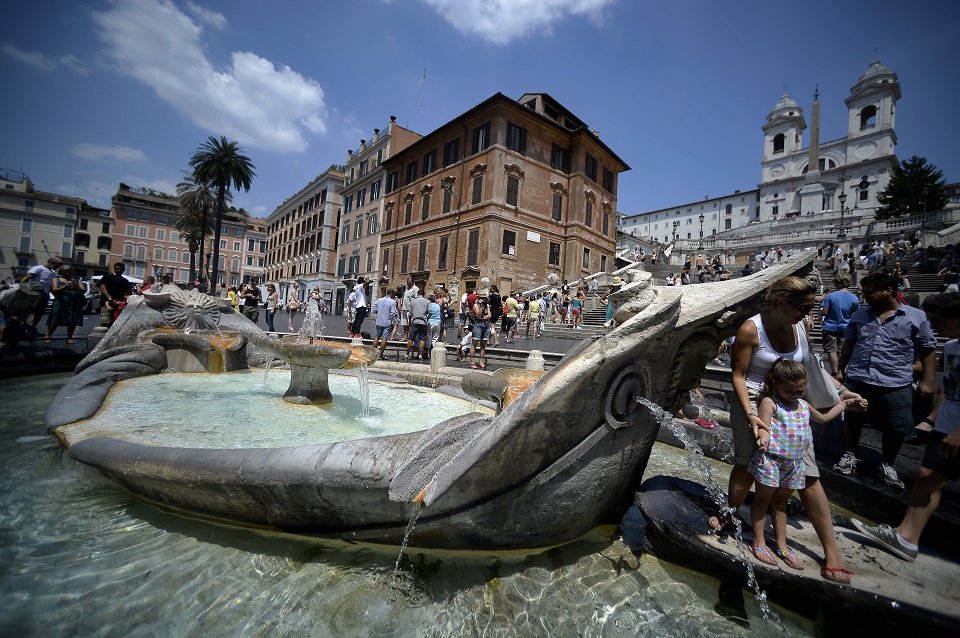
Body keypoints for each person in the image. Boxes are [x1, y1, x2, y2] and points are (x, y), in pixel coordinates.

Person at [714, 276, 864, 583]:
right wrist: (750, 415)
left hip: (793, 406)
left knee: (808, 473)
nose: (808, 313)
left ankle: (831, 553)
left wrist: (841, 391)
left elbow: (810, 367)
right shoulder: (750, 328)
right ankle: (731, 515)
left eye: (812, 307)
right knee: (746, 463)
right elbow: (739, 376)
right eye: (803, 307)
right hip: (756, 400)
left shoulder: (801, 326)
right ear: (781, 302)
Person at [851, 293, 960, 561]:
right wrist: (934, 416)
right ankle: (906, 538)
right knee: (927, 476)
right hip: (948, 424)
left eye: (936, 321)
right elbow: (948, 388)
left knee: (929, 477)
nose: (932, 327)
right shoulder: (954, 346)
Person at [748, 359, 856, 569]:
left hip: (794, 465)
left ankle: (782, 545)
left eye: (800, 390)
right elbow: (764, 426)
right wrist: (763, 438)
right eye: (789, 390)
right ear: (776, 384)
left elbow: (823, 419)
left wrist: (843, 404)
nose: (795, 394)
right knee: (762, 500)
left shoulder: (803, 405)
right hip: (772, 461)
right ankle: (759, 542)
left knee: (781, 504)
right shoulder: (770, 403)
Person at [835, 273, 937, 489]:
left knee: (895, 426)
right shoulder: (860, 316)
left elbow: (927, 349)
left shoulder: (915, 316)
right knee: (852, 419)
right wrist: (840, 369)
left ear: (888, 290)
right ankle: (850, 454)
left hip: (895, 380)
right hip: (860, 376)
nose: (865, 297)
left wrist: (929, 379)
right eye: (863, 292)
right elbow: (849, 344)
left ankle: (887, 464)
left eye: (870, 292)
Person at [817, 273, 860, 377]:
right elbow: (855, 314)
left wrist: (820, 313)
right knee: (843, 349)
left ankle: (835, 371)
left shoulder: (830, 296)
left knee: (831, 349)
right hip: (846, 327)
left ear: (836, 283)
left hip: (830, 326)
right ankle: (843, 370)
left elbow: (825, 312)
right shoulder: (854, 298)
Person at [44, 266, 86, 344]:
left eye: (69, 271)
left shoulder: (77, 281)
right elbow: (54, 290)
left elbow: (83, 291)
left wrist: (77, 286)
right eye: (65, 271)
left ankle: (70, 337)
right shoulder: (56, 280)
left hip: (73, 303)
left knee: (72, 320)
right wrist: (64, 286)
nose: (67, 273)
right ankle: (48, 335)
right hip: (60, 302)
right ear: (61, 272)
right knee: (55, 319)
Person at [21, 257, 63, 333]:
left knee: (39, 312)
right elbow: (25, 279)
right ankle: (21, 327)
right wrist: (21, 289)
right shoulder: (37, 268)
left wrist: (56, 296)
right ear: (51, 262)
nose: (58, 267)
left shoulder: (53, 273)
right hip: (33, 293)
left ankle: (31, 328)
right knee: (28, 311)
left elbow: (50, 286)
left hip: (44, 295)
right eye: (58, 265)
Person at [99, 262, 131, 327]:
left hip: (119, 305)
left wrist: (126, 299)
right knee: (106, 322)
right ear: (114, 268)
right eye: (117, 268)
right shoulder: (107, 277)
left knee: (118, 323)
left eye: (121, 269)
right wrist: (110, 298)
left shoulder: (125, 281)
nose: (119, 270)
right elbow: (102, 288)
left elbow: (129, 292)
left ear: (124, 270)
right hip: (107, 303)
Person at [406, 288, 431, 361]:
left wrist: (410, 321)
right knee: (422, 339)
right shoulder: (427, 301)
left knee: (411, 338)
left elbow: (409, 313)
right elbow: (431, 311)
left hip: (415, 321)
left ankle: (406, 355)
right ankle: (420, 356)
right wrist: (427, 318)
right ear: (423, 295)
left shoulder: (413, 301)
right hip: (423, 322)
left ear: (417, 294)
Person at [469, 290, 492, 369]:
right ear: (478, 297)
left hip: (486, 326)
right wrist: (481, 308)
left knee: (483, 345)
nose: (483, 299)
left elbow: (489, 315)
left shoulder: (487, 306)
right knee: (474, 344)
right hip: (478, 326)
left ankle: (481, 361)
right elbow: (478, 315)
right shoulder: (476, 305)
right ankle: (472, 361)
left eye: (484, 298)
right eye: (482, 298)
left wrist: (483, 317)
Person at [372, 289, 397, 359]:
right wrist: (390, 317)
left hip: (379, 321)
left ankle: (373, 353)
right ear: (392, 294)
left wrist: (379, 314)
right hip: (387, 322)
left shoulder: (379, 300)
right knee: (384, 338)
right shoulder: (392, 302)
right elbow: (393, 313)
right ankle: (380, 354)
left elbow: (374, 310)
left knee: (376, 337)